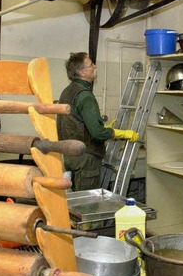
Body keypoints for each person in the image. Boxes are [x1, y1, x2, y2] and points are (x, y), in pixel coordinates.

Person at [57, 52, 139, 191]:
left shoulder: (67, 91)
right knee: (87, 205)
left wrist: (100, 125)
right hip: (86, 158)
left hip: (70, 155)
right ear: (82, 72)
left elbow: (75, 122)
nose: (95, 66)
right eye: (90, 64)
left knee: (75, 202)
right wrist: (119, 133)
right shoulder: (85, 96)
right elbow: (98, 134)